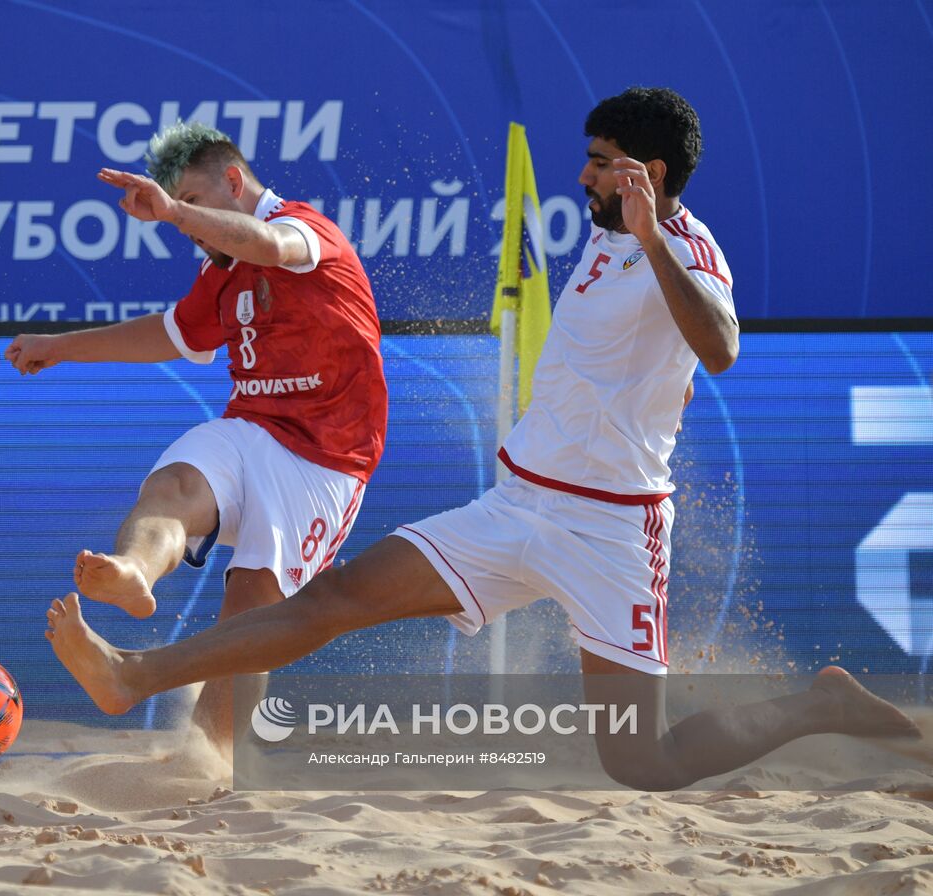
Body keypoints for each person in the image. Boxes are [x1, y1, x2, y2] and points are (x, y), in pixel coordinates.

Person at [45, 88, 919, 790]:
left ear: (648, 174)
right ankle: (133, 673)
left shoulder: (683, 252)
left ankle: (818, 707)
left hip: (612, 531)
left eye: (601, 163)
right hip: (516, 504)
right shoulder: (605, 227)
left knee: (642, 762)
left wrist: (656, 241)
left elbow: (721, 349)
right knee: (329, 604)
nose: (582, 175)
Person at [7, 121, 388, 752]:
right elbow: (169, 334)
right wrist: (60, 347)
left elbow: (269, 244)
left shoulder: (304, 230)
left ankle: (206, 764)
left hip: (327, 460)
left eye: (198, 201)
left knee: (251, 617)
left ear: (235, 182)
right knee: (177, 481)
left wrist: (177, 213)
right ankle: (134, 571)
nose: (189, 225)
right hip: (252, 429)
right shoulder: (221, 272)